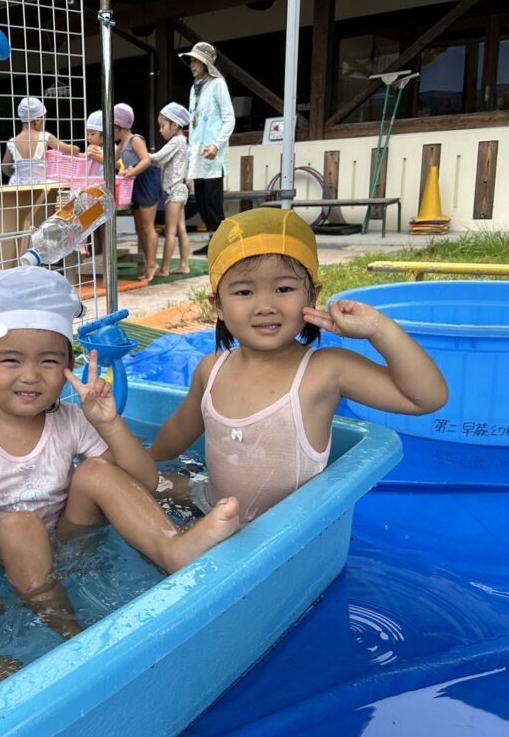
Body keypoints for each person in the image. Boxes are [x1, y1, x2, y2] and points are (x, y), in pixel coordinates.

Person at [0, 266, 241, 638]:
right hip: (1, 555)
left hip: (68, 540)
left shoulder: (71, 418)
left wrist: (109, 423)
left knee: (95, 471)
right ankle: (68, 631)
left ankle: (171, 548)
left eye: (48, 361)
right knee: (21, 526)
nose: (31, 375)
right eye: (11, 360)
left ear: (67, 368)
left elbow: (146, 480)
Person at [150, 208, 448, 523]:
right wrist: (149, 461)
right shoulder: (211, 370)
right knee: (132, 481)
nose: (265, 306)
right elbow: (178, 430)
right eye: (244, 291)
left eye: (284, 289)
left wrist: (379, 329)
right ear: (218, 306)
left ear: (313, 294)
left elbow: (426, 398)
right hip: (210, 510)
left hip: (284, 537)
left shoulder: (327, 370)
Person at [179, 41, 236, 255]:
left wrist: (216, 145)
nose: (192, 65)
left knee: (213, 200)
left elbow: (229, 118)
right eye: (191, 61)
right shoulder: (194, 88)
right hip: (197, 152)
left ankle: (223, 242)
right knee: (202, 200)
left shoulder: (217, 84)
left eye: (196, 61)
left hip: (212, 153)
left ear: (205, 63)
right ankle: (214, 241)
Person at [114, 102, 162, 282]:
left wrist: (130, 172)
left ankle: (152, 264)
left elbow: (146, 160)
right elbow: (108, 159)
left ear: (118, 126)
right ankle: (148, 262)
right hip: (133, 184)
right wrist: (88, 154)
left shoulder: (135, 140)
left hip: (146, 182)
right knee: (139, 228)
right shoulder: (121, 144)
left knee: (148, 227)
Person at [150, 103, 192, 276]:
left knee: (170, 231)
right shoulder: (183, 141)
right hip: (181, 189)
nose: (161, 130)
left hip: (174, 192)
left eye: (162, 126)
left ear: (175, 125)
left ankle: (165, 268)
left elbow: (158, 158)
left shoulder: (176, 141)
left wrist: (140, 153)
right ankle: (184, 265)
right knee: (181, 229)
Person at [1, 97, 80, 185]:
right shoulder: (45, 137)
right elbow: (71, 150)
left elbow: (5, 168)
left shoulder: (12, 142)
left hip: (17, 185)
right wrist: (76, 148)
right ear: (38, 120)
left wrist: (21, 174)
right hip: (38, 186)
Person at [83, 110, 104, 178]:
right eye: (87, 134)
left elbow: (116, 162)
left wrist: (95, 155)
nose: (89, 137)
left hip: (104, 181)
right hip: (91, 181)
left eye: (93, 134)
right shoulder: (90, 147)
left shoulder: (111, 147)